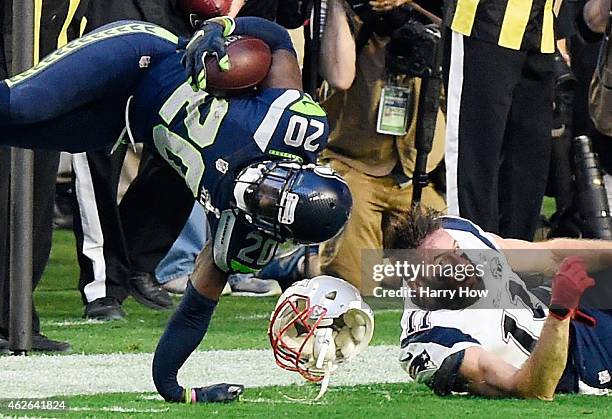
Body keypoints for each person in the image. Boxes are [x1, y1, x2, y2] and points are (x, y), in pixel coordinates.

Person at [0, 16, 353, 402]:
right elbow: (278, 37)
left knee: (8, 128)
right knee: (15, 106)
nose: (259, 195)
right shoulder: (291, 123)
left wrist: (178, 391)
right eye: (274, 188)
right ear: (299, 167)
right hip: (141, 56)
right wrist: (219, 27)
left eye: (267, 209)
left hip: (121, 120)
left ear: (276, 232)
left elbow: (194, 312)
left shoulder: (245, 240)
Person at [385, 207, 612, 398]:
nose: (463, 264)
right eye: (443, 263)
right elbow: (530, 389)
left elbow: (550, 256)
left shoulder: (456, 232)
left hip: (580, 320)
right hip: (573, 367)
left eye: (457, 250)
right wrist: (559, 314)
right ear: (418, 284)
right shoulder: (432, 341)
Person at [317, 0, 447, 289]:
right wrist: (339, 5)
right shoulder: (352, 20)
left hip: (415, 178)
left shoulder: (426, 17)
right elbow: (339, 76)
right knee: (351, 284)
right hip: (354, 171)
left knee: (452, 267)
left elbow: (461, 32)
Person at [0, 0, 86, 353]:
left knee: (35, 203)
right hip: (13, 76)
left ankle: (17, 315)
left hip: (50, 81)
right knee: (6, 197)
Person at [443, 0, 558, 241]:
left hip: (542, 28)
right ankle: (473, 267)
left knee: (527, 172)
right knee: (474, 162)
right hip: (484, 21)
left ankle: (515, 270)